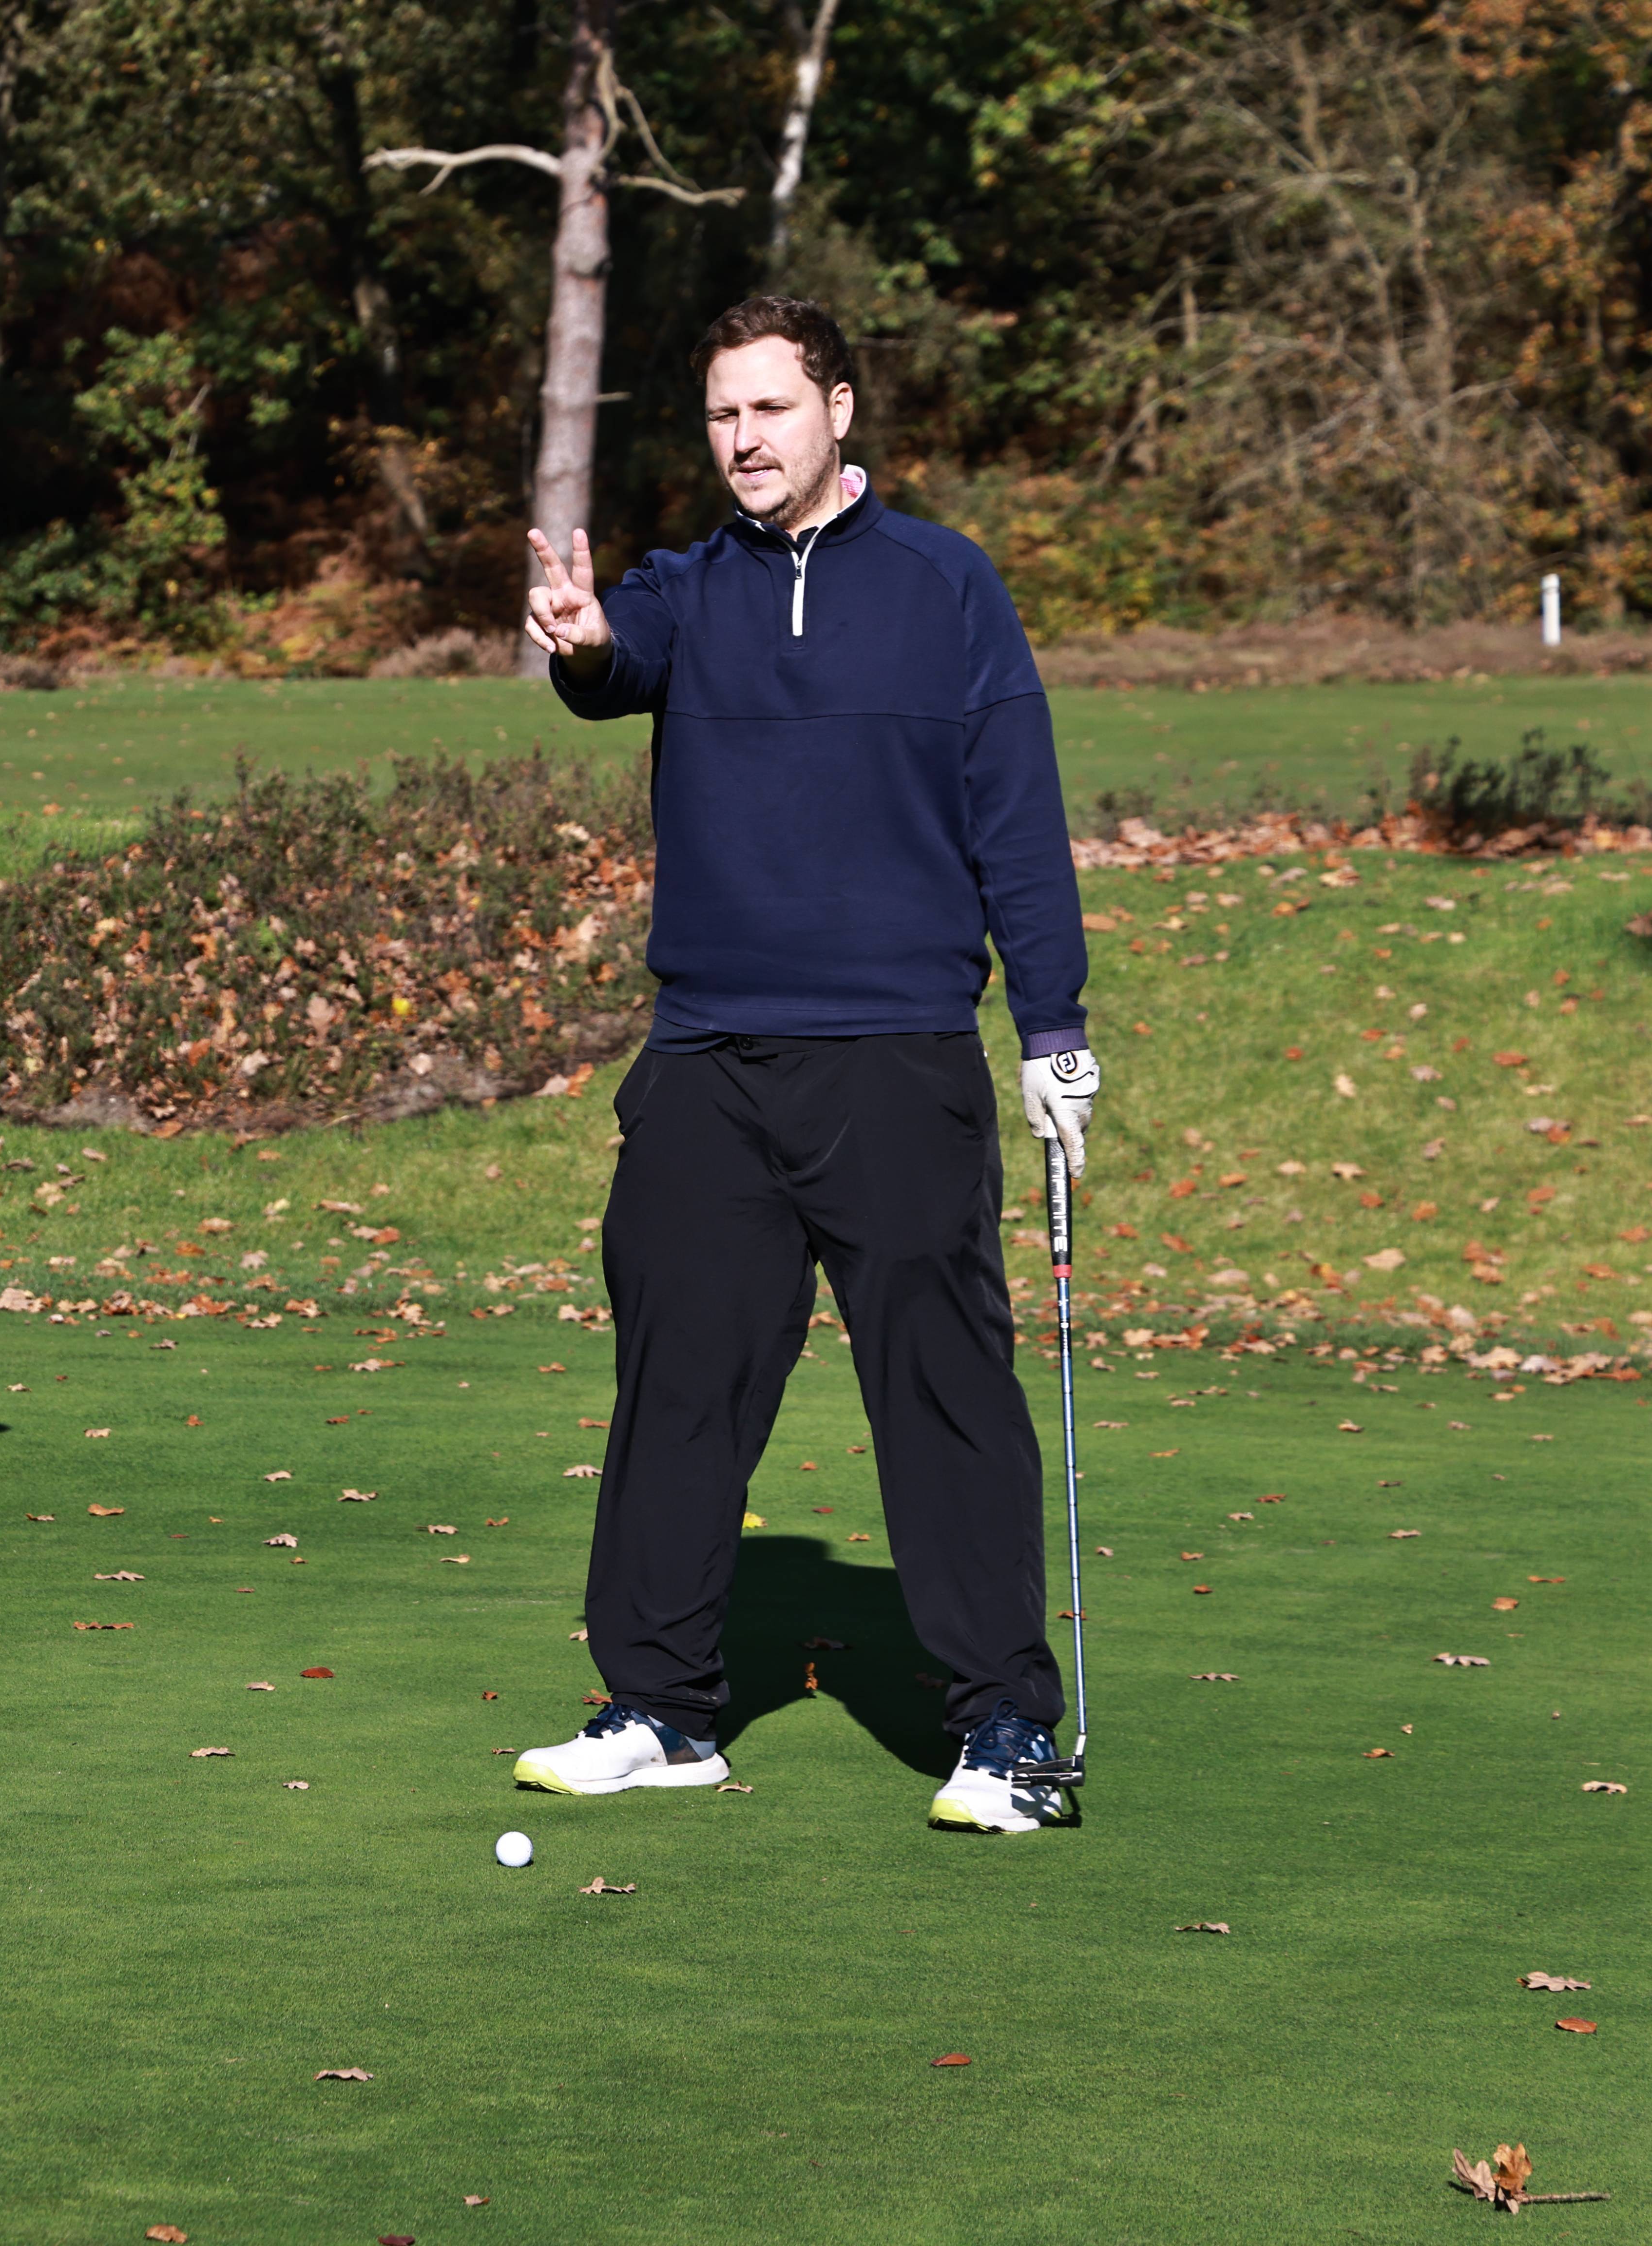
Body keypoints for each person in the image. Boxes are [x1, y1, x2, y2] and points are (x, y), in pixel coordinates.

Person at [514, 296, 1104, 1833]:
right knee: (678, 1384)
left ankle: (1004, 1733)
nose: (744, 442)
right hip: (712, 1057)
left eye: (771, 410)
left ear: (839, 410)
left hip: (897, 1060)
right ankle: (660, 1706)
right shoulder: (686, 588)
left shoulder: (945, 587)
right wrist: (581, 645)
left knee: (942, 1390)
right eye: (721, 416)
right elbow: (613, 657)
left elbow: (1018, 822)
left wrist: (1054, 1028)